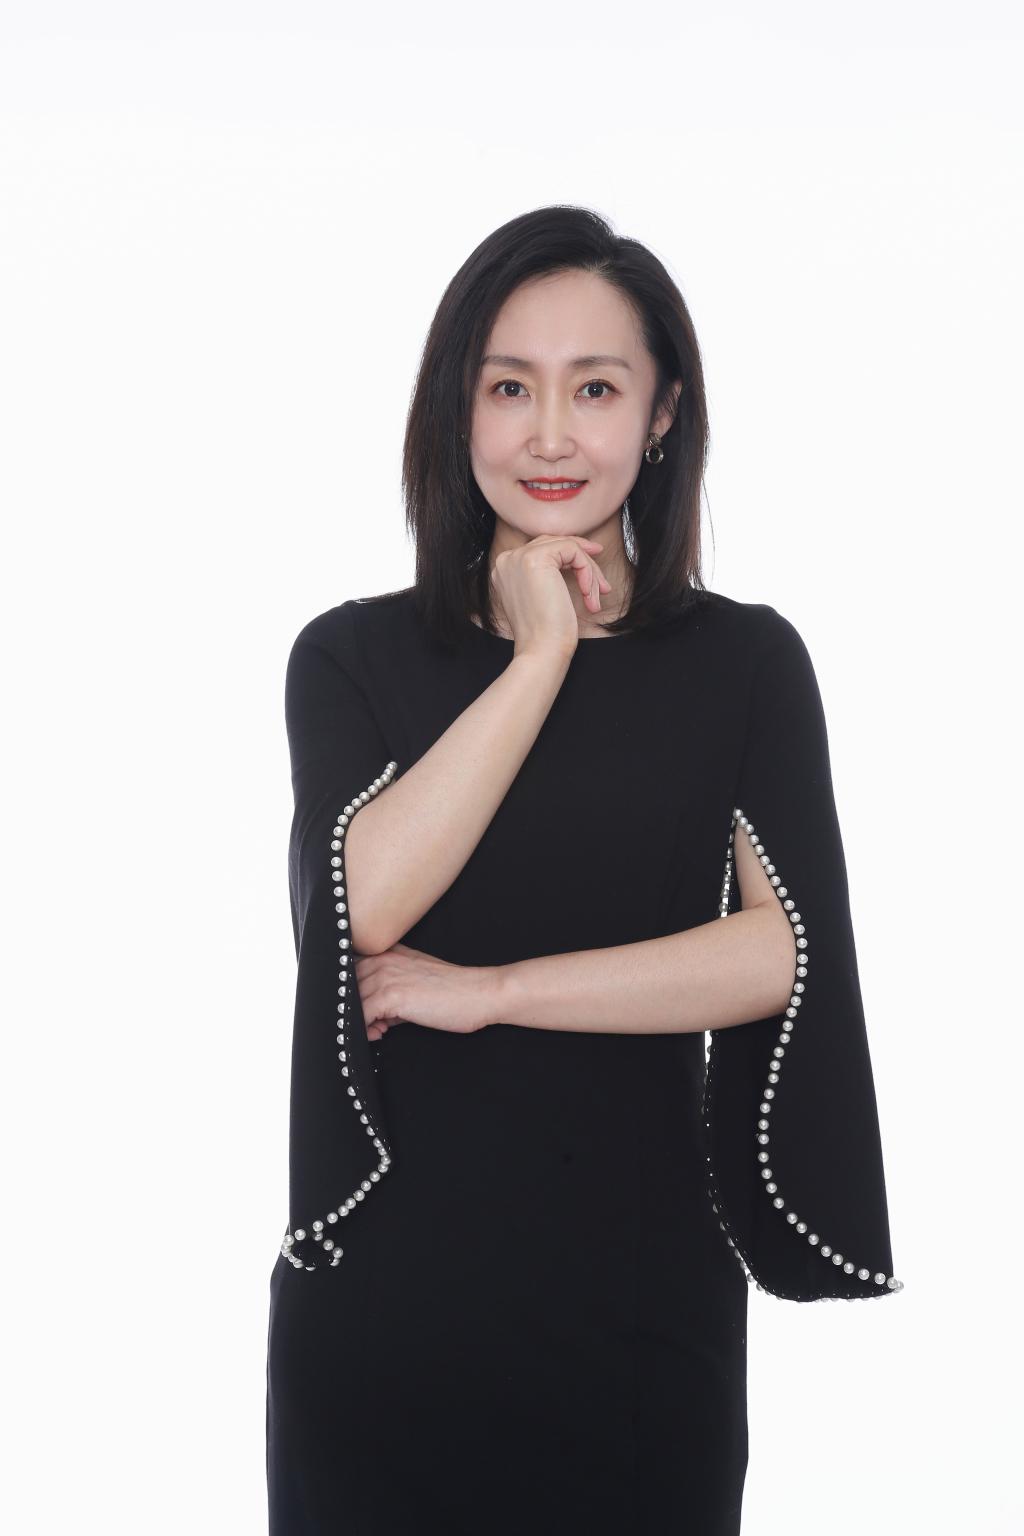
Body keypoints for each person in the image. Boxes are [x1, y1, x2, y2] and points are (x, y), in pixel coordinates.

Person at [265, 205, 903, 1535]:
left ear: (662, 414)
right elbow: (361, 905)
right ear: (458, 408)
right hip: (390, 1319)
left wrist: (493, 990)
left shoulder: (743, 664)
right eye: (509, 388)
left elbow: (777, 951)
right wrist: (541, 653)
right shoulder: (353, 656)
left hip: (642, 1311)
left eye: (595, 389)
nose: (550, 434)